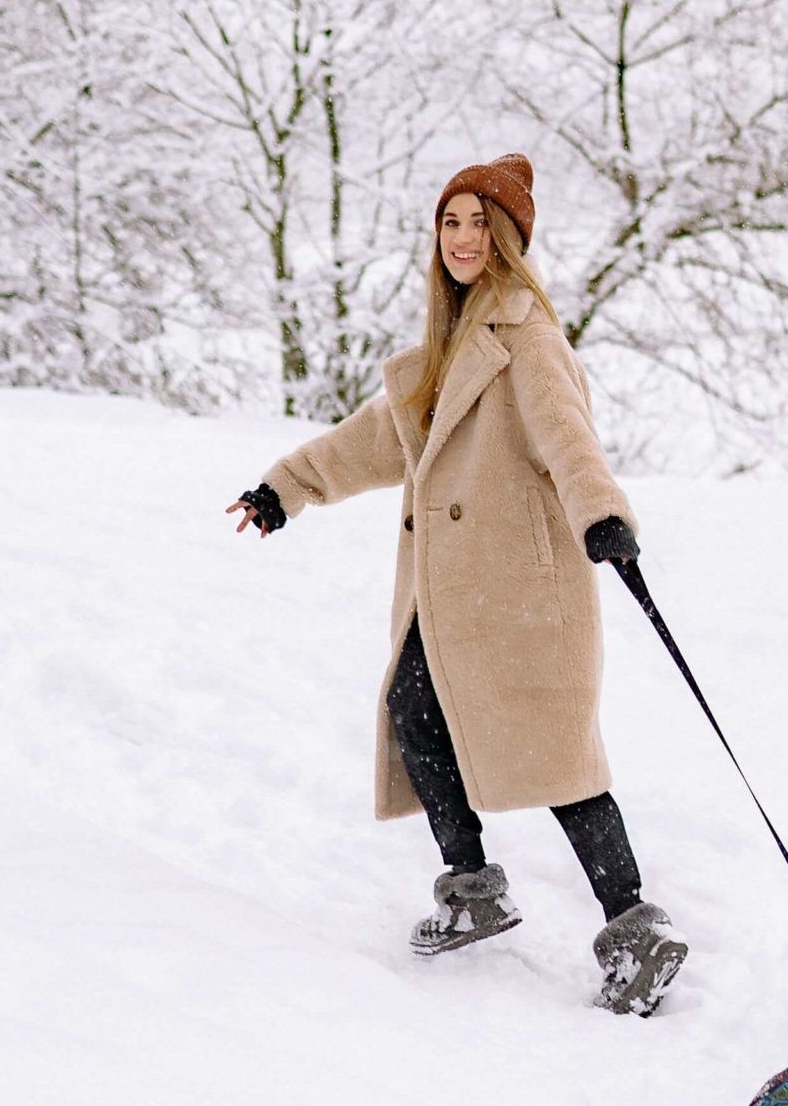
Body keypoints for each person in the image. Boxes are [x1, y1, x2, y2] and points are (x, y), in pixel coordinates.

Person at [225, 153, 688, 1016]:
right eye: (451, 222)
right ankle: (472, 886)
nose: (463, 238)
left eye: (481, 223)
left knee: (555, 758)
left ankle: (634, 925)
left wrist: (602, 517)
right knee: (414, 709)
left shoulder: (527, 339)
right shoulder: (447, 346)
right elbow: (372, 439)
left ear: (507, 239)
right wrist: (285, 488)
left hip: (522, 596)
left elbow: (570, 439)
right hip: (454, 605)